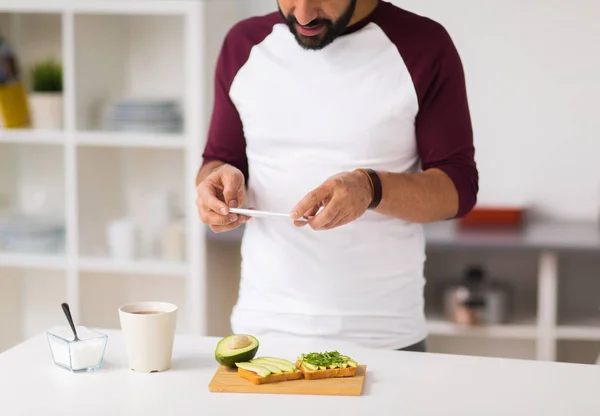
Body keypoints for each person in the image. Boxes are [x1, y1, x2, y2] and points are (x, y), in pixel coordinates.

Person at [196, 0, 478, 352]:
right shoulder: (244, 44)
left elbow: (458, 188)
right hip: (262, 332)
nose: (302, 16)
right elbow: (218, 160)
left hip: (384, 339)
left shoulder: (423, 46)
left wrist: (372, 188)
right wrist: (214, 183)